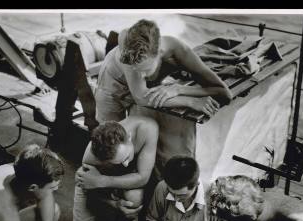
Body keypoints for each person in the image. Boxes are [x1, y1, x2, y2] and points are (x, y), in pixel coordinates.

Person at [95, 19, 232, 180]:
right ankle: (108, 190)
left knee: (129, 149)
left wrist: (179, 89)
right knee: (110, 146)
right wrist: (190, 101)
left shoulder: (180, 50)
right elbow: (141, 97)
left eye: (146, 70)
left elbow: (224, 93)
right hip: (111, 87)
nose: (142, 76)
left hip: (140, 93)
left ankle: (135, 182)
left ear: (160, 52)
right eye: (137, 71)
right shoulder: (132, 51)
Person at [73, 116, 159, 221]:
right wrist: (114, 204)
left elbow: (143, 177)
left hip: (106, 179)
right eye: (118, 162)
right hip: (98, 182)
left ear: (129, 137)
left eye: (126, 157)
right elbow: (91, 194)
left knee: (134, 198)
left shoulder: (148, 128)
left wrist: (102, 180)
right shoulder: (90, 158)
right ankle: (108, 218)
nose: (125, 164)